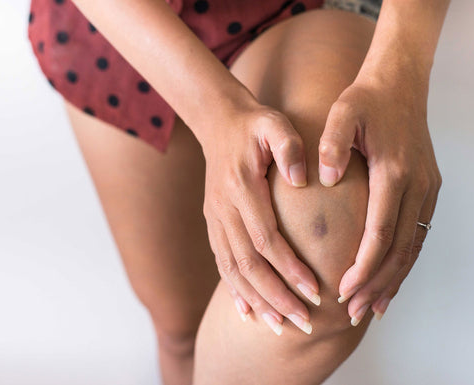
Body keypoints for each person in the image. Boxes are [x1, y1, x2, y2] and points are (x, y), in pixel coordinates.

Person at [27, 0, 448, 383]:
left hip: (303, 8)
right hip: (124, 23)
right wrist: (213, 113)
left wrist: (404, 71)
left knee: (323, 242)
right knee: (179, 329)